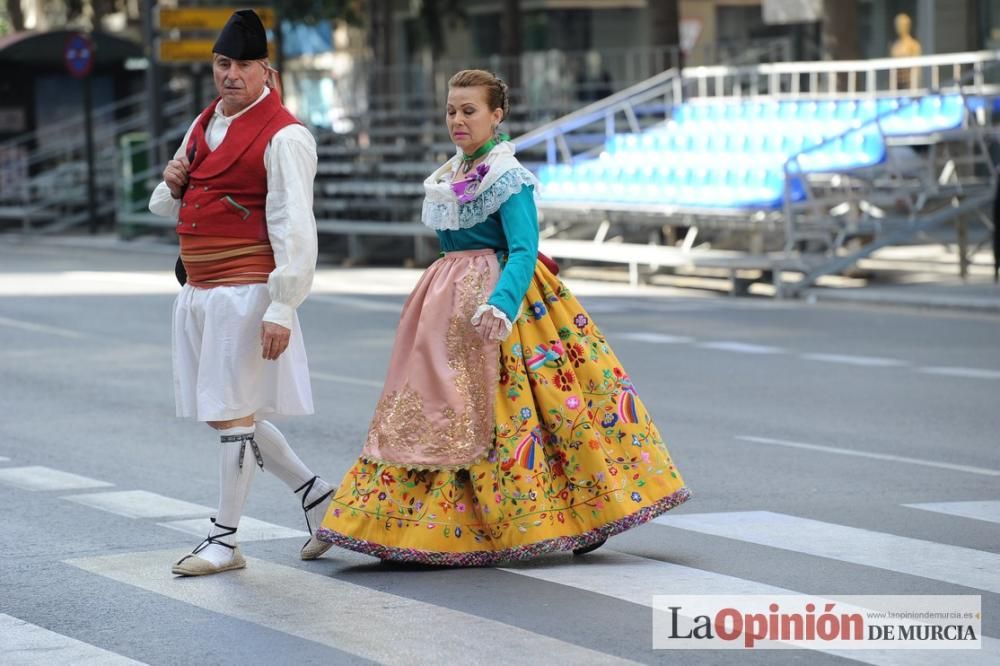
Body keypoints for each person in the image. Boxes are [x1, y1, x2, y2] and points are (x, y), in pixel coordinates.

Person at [316, 69, 691, 566]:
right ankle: (409, 522)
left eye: (469, 110)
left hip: (506, 307)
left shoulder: (507, 178)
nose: (458, 119)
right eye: (451, 110)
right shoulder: (450, 175)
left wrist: (500, 303)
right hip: (447, 307)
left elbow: (523, 249)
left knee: (529, 414)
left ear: (497, 115)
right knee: (430, 409)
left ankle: (570, 513)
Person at [148, 9, 333, 576]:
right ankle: (319, 499)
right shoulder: (203, 124)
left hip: (247, 292)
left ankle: (223, 540)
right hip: (201, 291)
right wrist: (171, 183)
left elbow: (294, 225)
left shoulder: (286, 135)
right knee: (229, 415)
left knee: (231, 418)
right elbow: (167, 205)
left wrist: (283, 305)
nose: (232, 74)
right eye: (223, 64)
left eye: (244, 65)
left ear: (266, 73)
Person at [890, 13, 922, 89]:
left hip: (909, 83)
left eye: (901, 25)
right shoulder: (894, 46)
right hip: (896, 84)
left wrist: (915, 88)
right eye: (897, 25)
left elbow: (916, 69)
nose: (899, 27)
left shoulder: (913, 45)